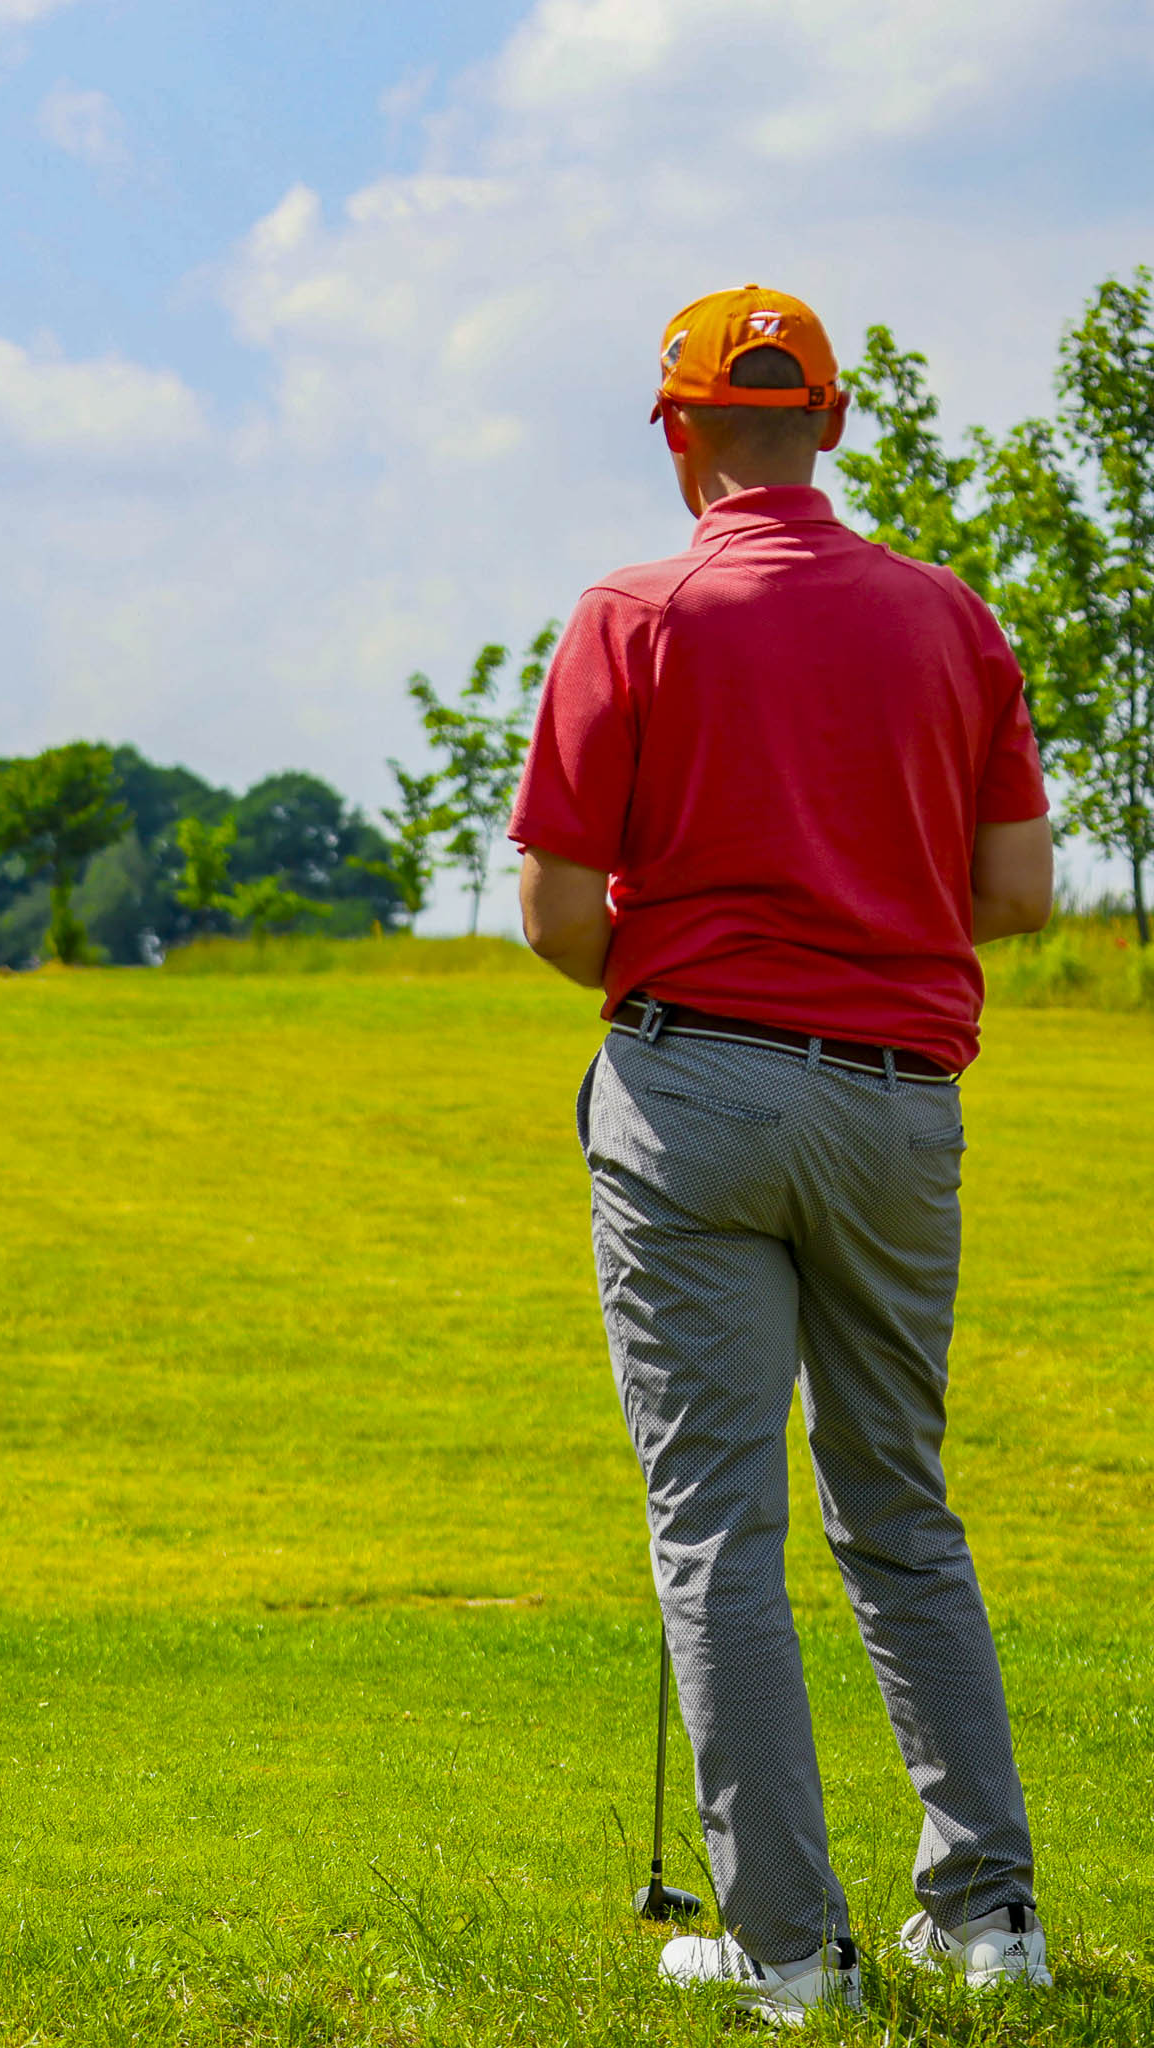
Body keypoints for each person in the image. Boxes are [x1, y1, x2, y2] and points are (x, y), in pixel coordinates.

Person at [511, 285, 1055, 2023]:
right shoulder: (952, 618)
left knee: (717, 1530)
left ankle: (790, 1956)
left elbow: (556, 911)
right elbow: (1017, 893)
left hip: (695, 1095)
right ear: (829, 422)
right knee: (899, 1506)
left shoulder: (632, 612)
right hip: (899, 1102)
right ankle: (990, 1921)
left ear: (678, 434)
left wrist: (694, 968)